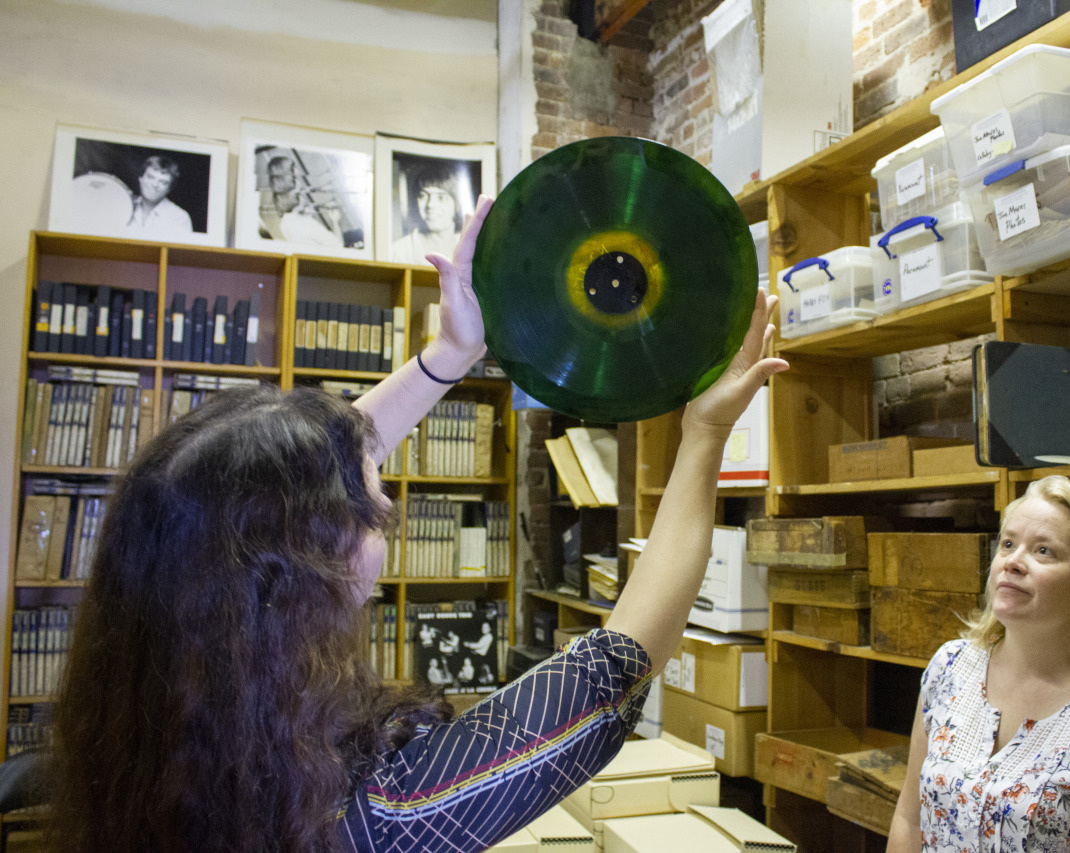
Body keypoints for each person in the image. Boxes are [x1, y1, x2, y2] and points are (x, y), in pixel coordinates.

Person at [49, 193, 788, 852]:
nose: (388, 502)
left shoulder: (153, 720)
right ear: (309, 565)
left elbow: (296, 476)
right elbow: (614, 667)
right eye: (365, 504)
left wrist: (450, 352)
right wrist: (703, 436)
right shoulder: (388, 810)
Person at [886, 475, 1070, 853]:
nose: (1012, 562)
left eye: (1044, 551)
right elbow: (909, 822)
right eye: (1008, 544)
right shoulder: (950, 668)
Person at [390, 161, 465, 264]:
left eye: (441, 197)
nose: (430, 205)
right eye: (423, 196)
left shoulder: (469, 248)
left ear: (457, 205)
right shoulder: (400, 251)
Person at [261, 154, 344, 247]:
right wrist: (335, 221)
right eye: (293, 170)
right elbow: (338, 246)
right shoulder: (307, 224)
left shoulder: (284, 223)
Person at [124, 155, 193, 236]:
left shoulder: (179, 217)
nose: (155, 185)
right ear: (140, 178)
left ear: (169, 188)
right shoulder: (124, 206)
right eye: (151, 177)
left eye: (163, 182)